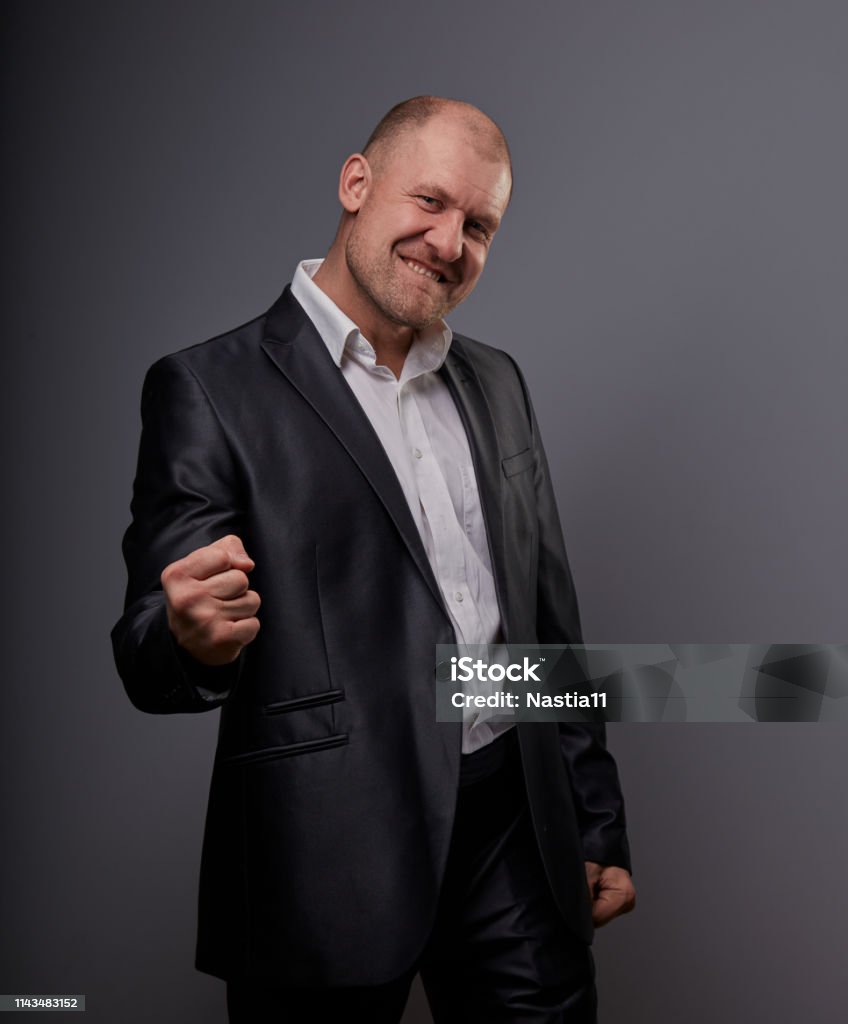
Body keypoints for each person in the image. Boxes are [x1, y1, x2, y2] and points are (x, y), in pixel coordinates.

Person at [112, 96, 635, 1023]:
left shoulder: (499, 381)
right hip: (325, 858)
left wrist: (592, 820)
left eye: (479, 225)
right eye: (429, 202)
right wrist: (192, 639)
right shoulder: (206, 388)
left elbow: (546, 622)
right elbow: (151, 643)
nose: (448, 241)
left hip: (514, 831)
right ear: (357, 183)